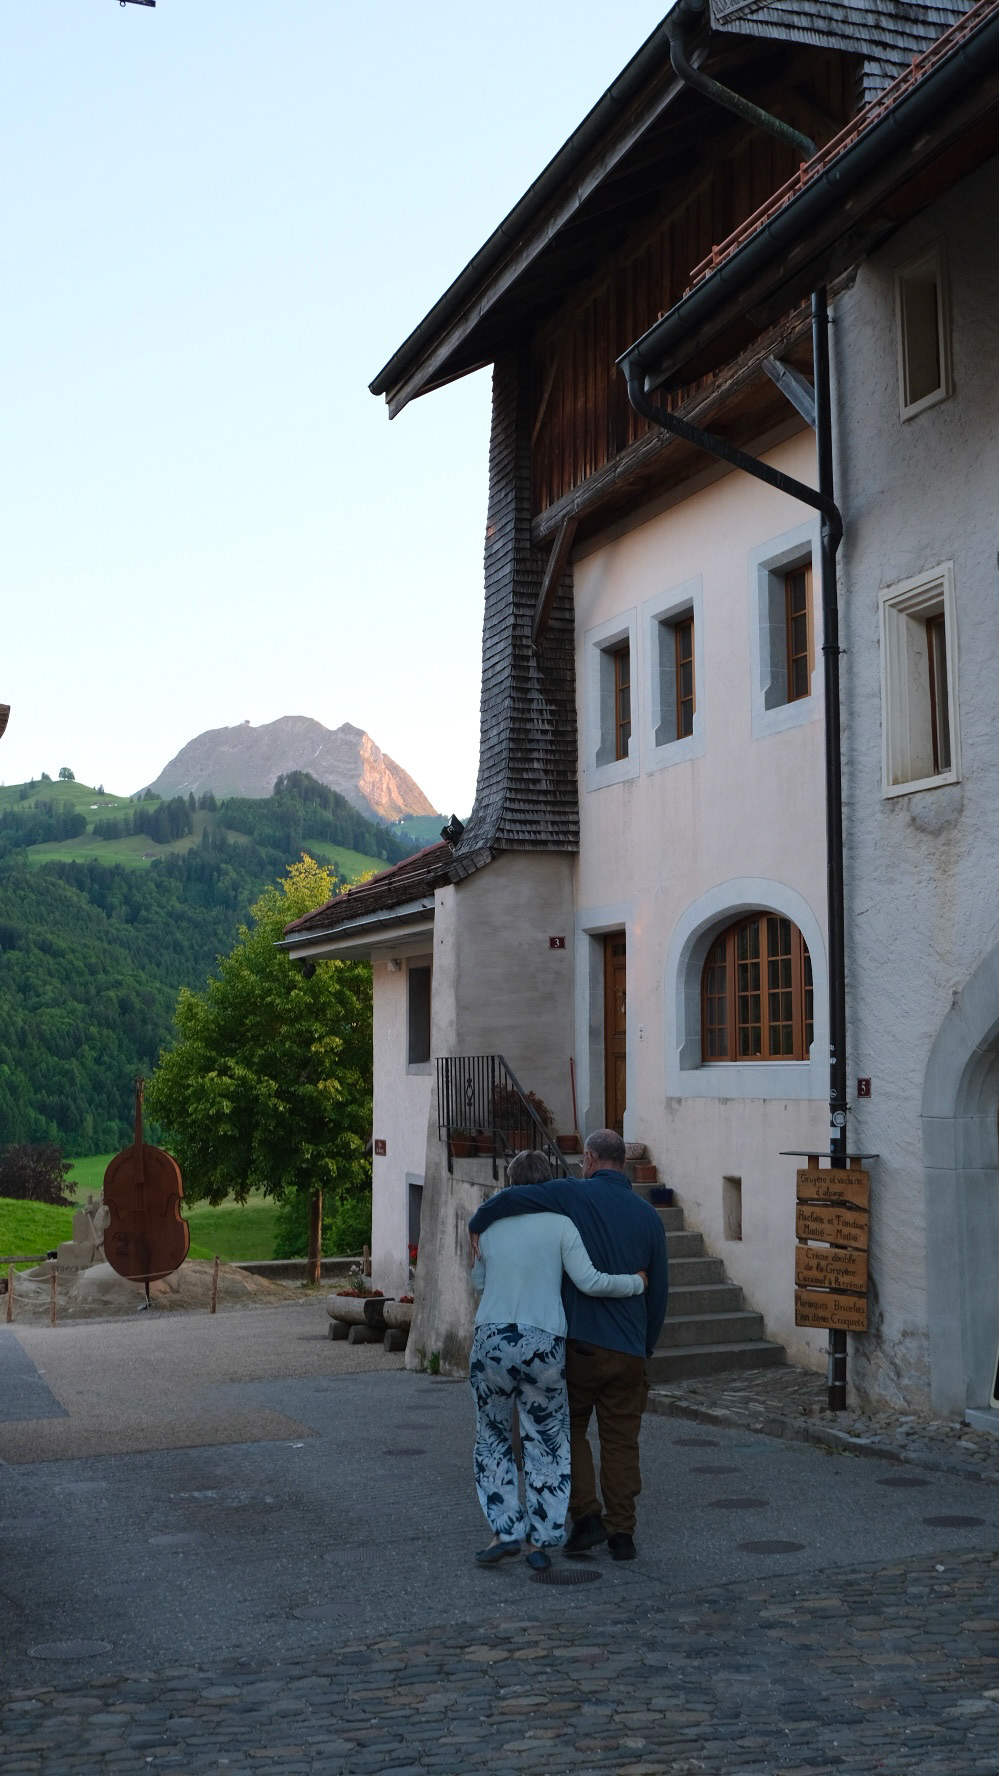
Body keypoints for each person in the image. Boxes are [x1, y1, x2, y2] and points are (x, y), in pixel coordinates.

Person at [469, 1128, 668, 1562]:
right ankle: (622, 1535)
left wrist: (476, 1223)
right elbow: (659, 1295)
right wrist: (645, 1345)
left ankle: (585, 1518)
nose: (582, 1166)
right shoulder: (650, 1216)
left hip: (578, 1345)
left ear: (592, 1159)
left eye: (584, 1161)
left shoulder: (574, 1197)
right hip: (629, 1349)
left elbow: (510, 1200)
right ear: (625, 1163)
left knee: (566, 1431)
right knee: (621, 1441)